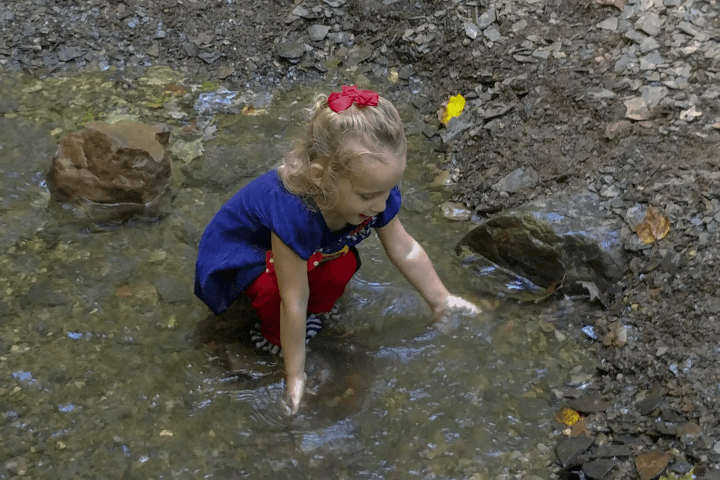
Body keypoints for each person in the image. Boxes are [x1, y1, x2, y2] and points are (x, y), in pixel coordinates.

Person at [194, 85, 480, 414]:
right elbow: (293, 299)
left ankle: (310, 319)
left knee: (340, 266)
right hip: (242, 253)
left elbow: (404, 249)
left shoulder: (375, 195)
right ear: (322, 179)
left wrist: (442, 301)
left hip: (303, 250)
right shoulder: (294, 211)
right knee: (275, 292)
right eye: (367, 195)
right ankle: (272, 337)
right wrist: (295, 375)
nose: (380, 205)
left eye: (388, 190)